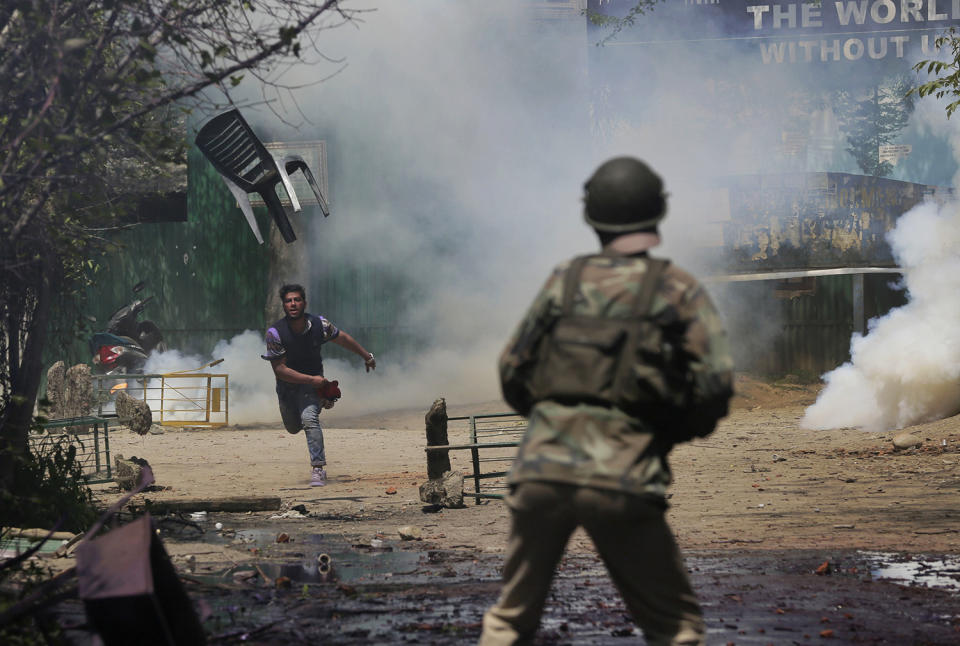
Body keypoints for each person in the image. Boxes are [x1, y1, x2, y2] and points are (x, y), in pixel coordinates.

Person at [479, 157, 734, 646]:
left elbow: (512, 370)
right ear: (657, 215)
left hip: (540, 470)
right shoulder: (677, 288)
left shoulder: (565, 280)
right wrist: (664, 433)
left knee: (509, 621)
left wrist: (552, 419)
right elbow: (715, 387)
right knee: (675, 629)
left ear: (591, 217)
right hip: (624, 473)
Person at [261, 283, 376, 486]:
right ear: (284, 306)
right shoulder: (275, 333)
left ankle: (318, 468)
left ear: (304, 302)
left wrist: (366, 356)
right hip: (287, 387)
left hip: (312, 385)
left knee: (309, 419)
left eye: (297, 299)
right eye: (288, 301)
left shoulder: (319, 325)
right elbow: (279, 370)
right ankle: (322, 399)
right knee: (293, 427)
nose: (293, 304)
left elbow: (343, 339)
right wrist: (311, 379)